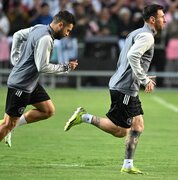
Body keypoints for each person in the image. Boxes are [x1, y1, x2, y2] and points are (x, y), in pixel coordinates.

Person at [64, 4, 166, 174]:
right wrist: (143, 78)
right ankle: (84, 117)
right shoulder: (147, 36)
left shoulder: (134, 33)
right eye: (162, 17)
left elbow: (123, 60)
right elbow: (132, 56)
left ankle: (127, 165)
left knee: (138, 125)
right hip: (125, 88)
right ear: (153, 19)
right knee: (120, 131)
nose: (165, 20)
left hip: (124, 85)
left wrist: (139, 76)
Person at [0, 10, 78, 147]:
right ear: (60, 25)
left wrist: (15, 58)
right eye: (68, 30)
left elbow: (18, 35)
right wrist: (66, 68)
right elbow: (43, 67)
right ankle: (9, 125)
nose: (67, 34)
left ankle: (12, 124)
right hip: (21, 85)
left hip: (30, 82)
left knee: (47, 110)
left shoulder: (38, 28)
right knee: (7, 125)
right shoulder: (46, 39)